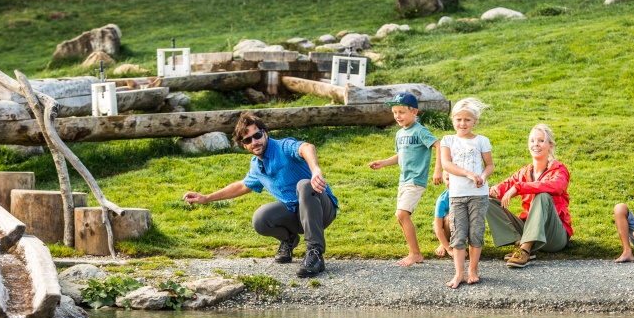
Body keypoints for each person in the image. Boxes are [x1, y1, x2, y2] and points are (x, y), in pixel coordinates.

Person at [182, 112, 337, 277]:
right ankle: (289, 239)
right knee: (261, 218)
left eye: (257, 136)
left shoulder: (283, 147)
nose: (254, 142)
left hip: (321, 210)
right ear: (243, 145)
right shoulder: (256, 165)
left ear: (265, 133)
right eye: (248, 140)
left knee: (305, 185)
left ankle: (314, 252)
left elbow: (306, 147)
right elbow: (242, 186)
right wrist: (206, 198)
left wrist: (315, 170)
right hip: (297, 215)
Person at [368, 91, 443, 267]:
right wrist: (383, 163)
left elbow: (438, 144)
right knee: (400, 216)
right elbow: (400, 156)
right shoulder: (400, 134)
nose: (397, 116)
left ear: (414, 113)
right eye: (395, 112)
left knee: (402, 214)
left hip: (416, 180)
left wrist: (438, 170)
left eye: (401, 112)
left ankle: (415, 253)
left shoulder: (420, 131)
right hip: (403, 181)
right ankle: (415, 253)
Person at [487, 123, 572, 268]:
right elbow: (504, 187)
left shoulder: (559, 169)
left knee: (543, 195)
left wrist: (519, 187)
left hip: (553, 237)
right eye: (532, 141)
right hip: (527, 230)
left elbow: (556, 186)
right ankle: (520, 243)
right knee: (487, 201)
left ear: (550, 146)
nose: (535, 144)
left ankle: (525, 249)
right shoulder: (525, 172)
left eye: (541, 141)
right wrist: (493, 189)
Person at [440, 98, 494, 288]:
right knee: (458, 233)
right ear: (453, 120)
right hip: (457, 195)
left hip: (479, 195)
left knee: (476, 233)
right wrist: (469, 174)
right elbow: (447, 164)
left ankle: (472, 270)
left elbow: (489, 165)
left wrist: (483, 177)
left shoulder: (482, 140)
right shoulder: (448, 140)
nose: (463, 123)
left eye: (467, 120)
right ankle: (458, 274)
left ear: (475, 121)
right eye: (459, 119)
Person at [433, 173, 452, 258]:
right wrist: (449, 249)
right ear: (443, 179)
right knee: (449, 218)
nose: (451, 182)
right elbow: (438, 227)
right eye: (448, 179)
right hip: (443, 228)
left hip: (461, 227)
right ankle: (444, 244)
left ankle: (459, 246)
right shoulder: (442, 200)